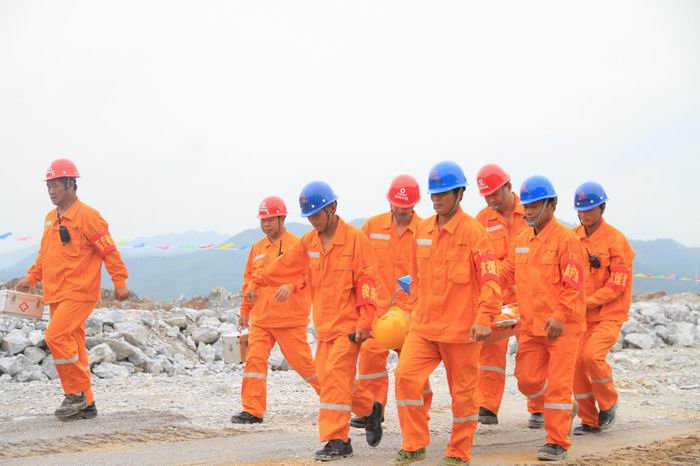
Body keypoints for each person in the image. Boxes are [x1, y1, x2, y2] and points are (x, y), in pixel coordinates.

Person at [245, 181, 382, 461]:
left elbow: (367, 283)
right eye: (308, 216)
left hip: (349, 326)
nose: (312, 221)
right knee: (332, 379)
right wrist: (257, 279)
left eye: (316, 214)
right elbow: (285, 266)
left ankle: (338, 440)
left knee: (334, 379)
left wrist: (365, 322)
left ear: (332, 208)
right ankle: (370, 410)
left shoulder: (356, 241)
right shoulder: (310, 242)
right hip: (324, 327)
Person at [390, 161, 501, 466]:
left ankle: (459, 452)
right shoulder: (423, 229)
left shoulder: (473, 233)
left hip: (460, 331)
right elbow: (415, 278)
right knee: (405, 377)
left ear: (460, 193)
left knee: (463, 395)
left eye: (443, 193)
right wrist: (410, 312)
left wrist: (484, 317)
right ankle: (414, 444)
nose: (436, 199)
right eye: (434, 194)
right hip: (424, 327)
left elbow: (490, 279)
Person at [16, 159, 129, 420]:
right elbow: (44, 256)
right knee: (74, 345)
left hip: (79, 292)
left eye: (56, 185)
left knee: (55, 336)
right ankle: (87, 403)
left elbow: (109, 251)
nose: (51, 190)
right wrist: (30, 279)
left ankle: (75, 393)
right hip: (56, 294)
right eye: (48, 186)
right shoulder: (50, 219)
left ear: (70, 184)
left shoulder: (88, 216)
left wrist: (119, 282)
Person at [499, 175, 586, 461]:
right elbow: (506, 272)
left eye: (535, 205)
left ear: (552, 204)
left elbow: (573, 283)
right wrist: (482, 275)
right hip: (531, 326)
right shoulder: (522, 239)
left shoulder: (567, 240)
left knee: (559, 384)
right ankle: (564, 406)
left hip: (562, 328)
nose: (530, 211)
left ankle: (557, 441)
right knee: (526, 381)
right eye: (527, 206)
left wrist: (560, 315)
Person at [350, 175, 432, 429]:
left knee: (414, 365)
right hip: (379, 310)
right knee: (370, 356)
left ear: (415, 204)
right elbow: (357, 260)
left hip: (412, 311)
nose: (401, 210)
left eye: (406, 206)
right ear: (389, 202)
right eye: (397, 204)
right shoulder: (373, 227)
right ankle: (372, 410)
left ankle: (419, 411)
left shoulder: (425, 231)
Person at [231, 196, 320, 425]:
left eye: (270, 220)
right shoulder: (257, 248)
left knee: (306, 367)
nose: (266, 224)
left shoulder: (297, 245)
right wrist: (245, 310)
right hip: (262, 319)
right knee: (254, 362)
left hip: (289, 319)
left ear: (282, 218)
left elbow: (309, 274)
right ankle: (252, 410)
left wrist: (291, 286)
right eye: (263, 220)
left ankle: (340, 400)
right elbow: (249, 280)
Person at [474, 163, 539, 427]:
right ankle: (487, 405)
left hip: (531, 295)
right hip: (498, 296)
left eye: (494, 194)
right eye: (486, 196)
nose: (490, 200)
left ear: (508, 187)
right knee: (489, 350)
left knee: (533, 352)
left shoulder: (532, 212)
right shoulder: (481, 220)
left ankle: (539, 406)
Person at [571, 182, 635, 435]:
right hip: (581, 317)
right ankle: (589, 419)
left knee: (591, 356)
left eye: (589, 209)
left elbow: (617, 285)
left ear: (602, 208)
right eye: (580, 210)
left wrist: (585, 302)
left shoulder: (616, 241)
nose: (584, 214)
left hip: (609, 315)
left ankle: (608, 403)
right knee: (575, 365)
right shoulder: (573, 237)